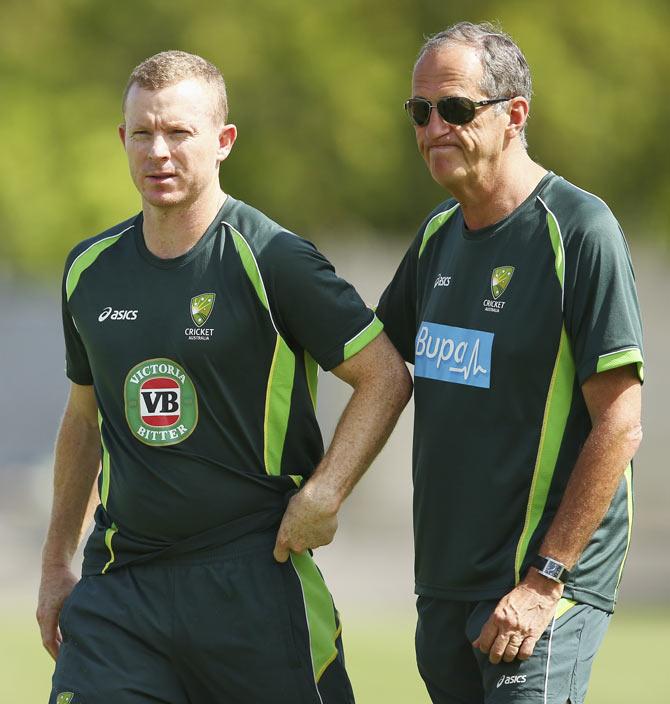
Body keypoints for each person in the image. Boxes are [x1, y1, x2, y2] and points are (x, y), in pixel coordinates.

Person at [37, 50, 412, 704]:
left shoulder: (273, 258)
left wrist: (326, 492)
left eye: (179, 133)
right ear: (122, 140)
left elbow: (384, 374)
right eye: (144, 133)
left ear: (222, 142)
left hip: (254, 580)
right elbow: (82, 419)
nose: (159, 151)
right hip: (122, 586)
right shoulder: (89, 270)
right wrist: (54, 566)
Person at [376, 21, 643, 704]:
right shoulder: (437, 237)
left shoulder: (579, 230)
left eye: (456, 109)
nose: (434, 126)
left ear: (513, 115)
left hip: (541, 592)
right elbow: (374, 365)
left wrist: (545, 579)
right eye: (421, 111)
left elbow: (620, 425)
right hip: (444, 586)